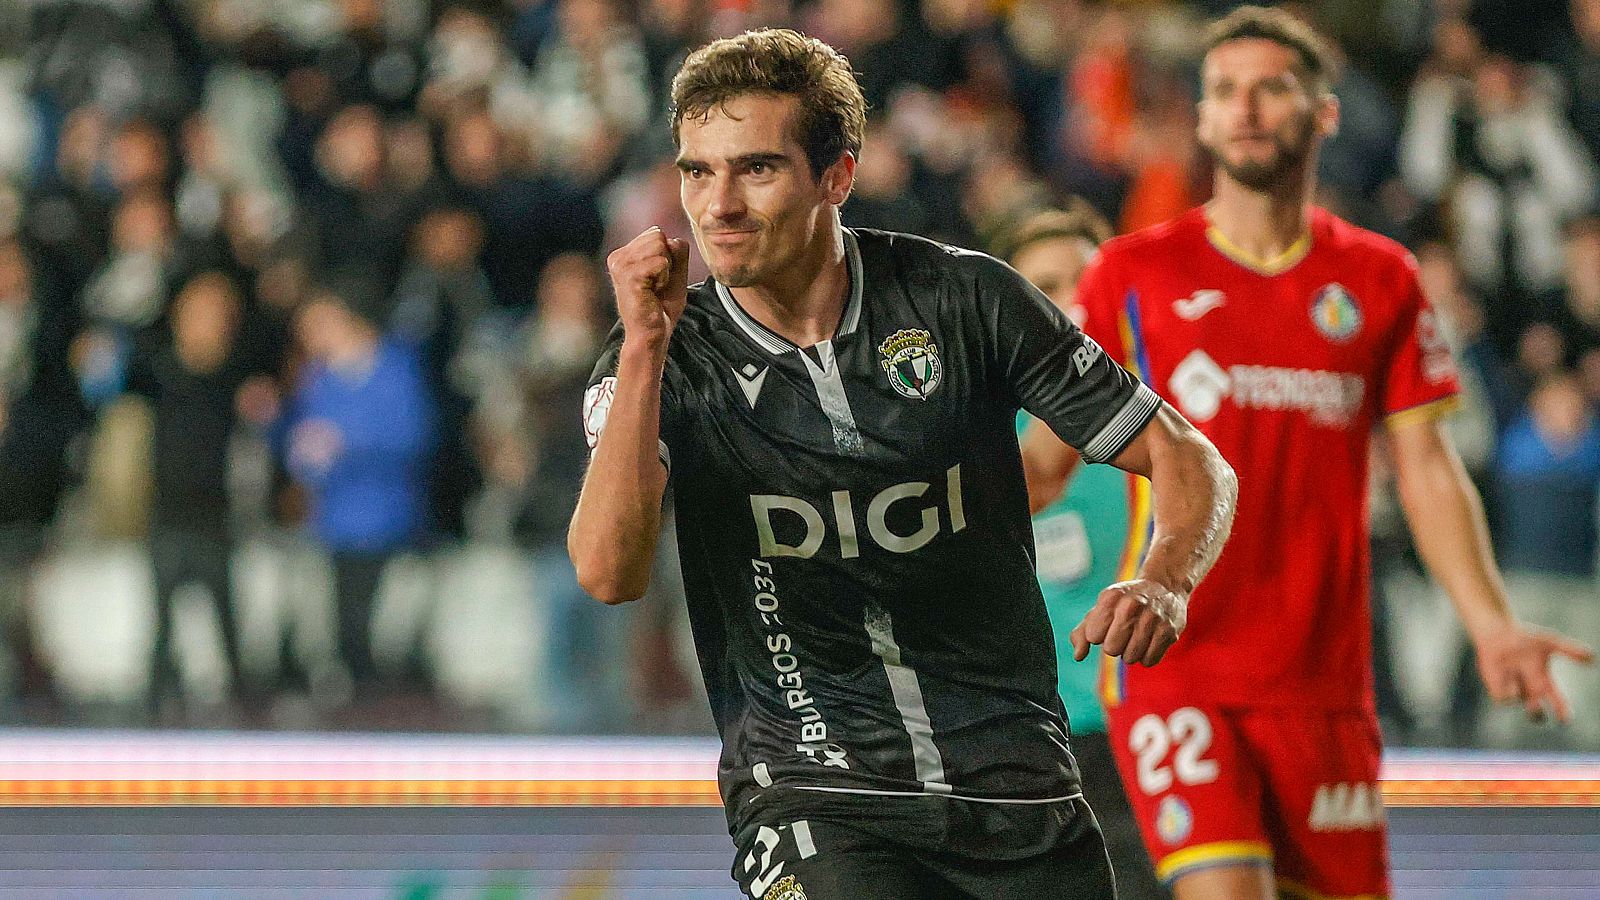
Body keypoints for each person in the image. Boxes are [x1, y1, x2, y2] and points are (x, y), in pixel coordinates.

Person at [568, 29, 1238, 899]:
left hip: (1019, 787)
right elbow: (608, 571)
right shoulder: (664, 354)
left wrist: (1166, 580)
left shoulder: (965, 300)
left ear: (837, 176)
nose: (717, 205)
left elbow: (1187, 455)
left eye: (757, 168)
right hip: (813, 794)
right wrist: (645, 351)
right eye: (698, 172)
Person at [1026, 9, 1595, 899]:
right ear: (1202, 119)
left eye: (1272, 88)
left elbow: (1427, 468)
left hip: (1325, 686)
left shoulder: (1381, 278)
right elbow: (1043, 464)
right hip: (1183, 670)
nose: (1246, 108)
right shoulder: (1132, 277)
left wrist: (1491, 625)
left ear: (1326, 112)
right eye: (1224, 91)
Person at [1006, 205, 1167, 900]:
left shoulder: (1165, 429)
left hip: (1154, 728)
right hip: (1032, 744)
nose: (1072, 302)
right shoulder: (979, 433)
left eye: (1085, 281)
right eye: (1045, 287)